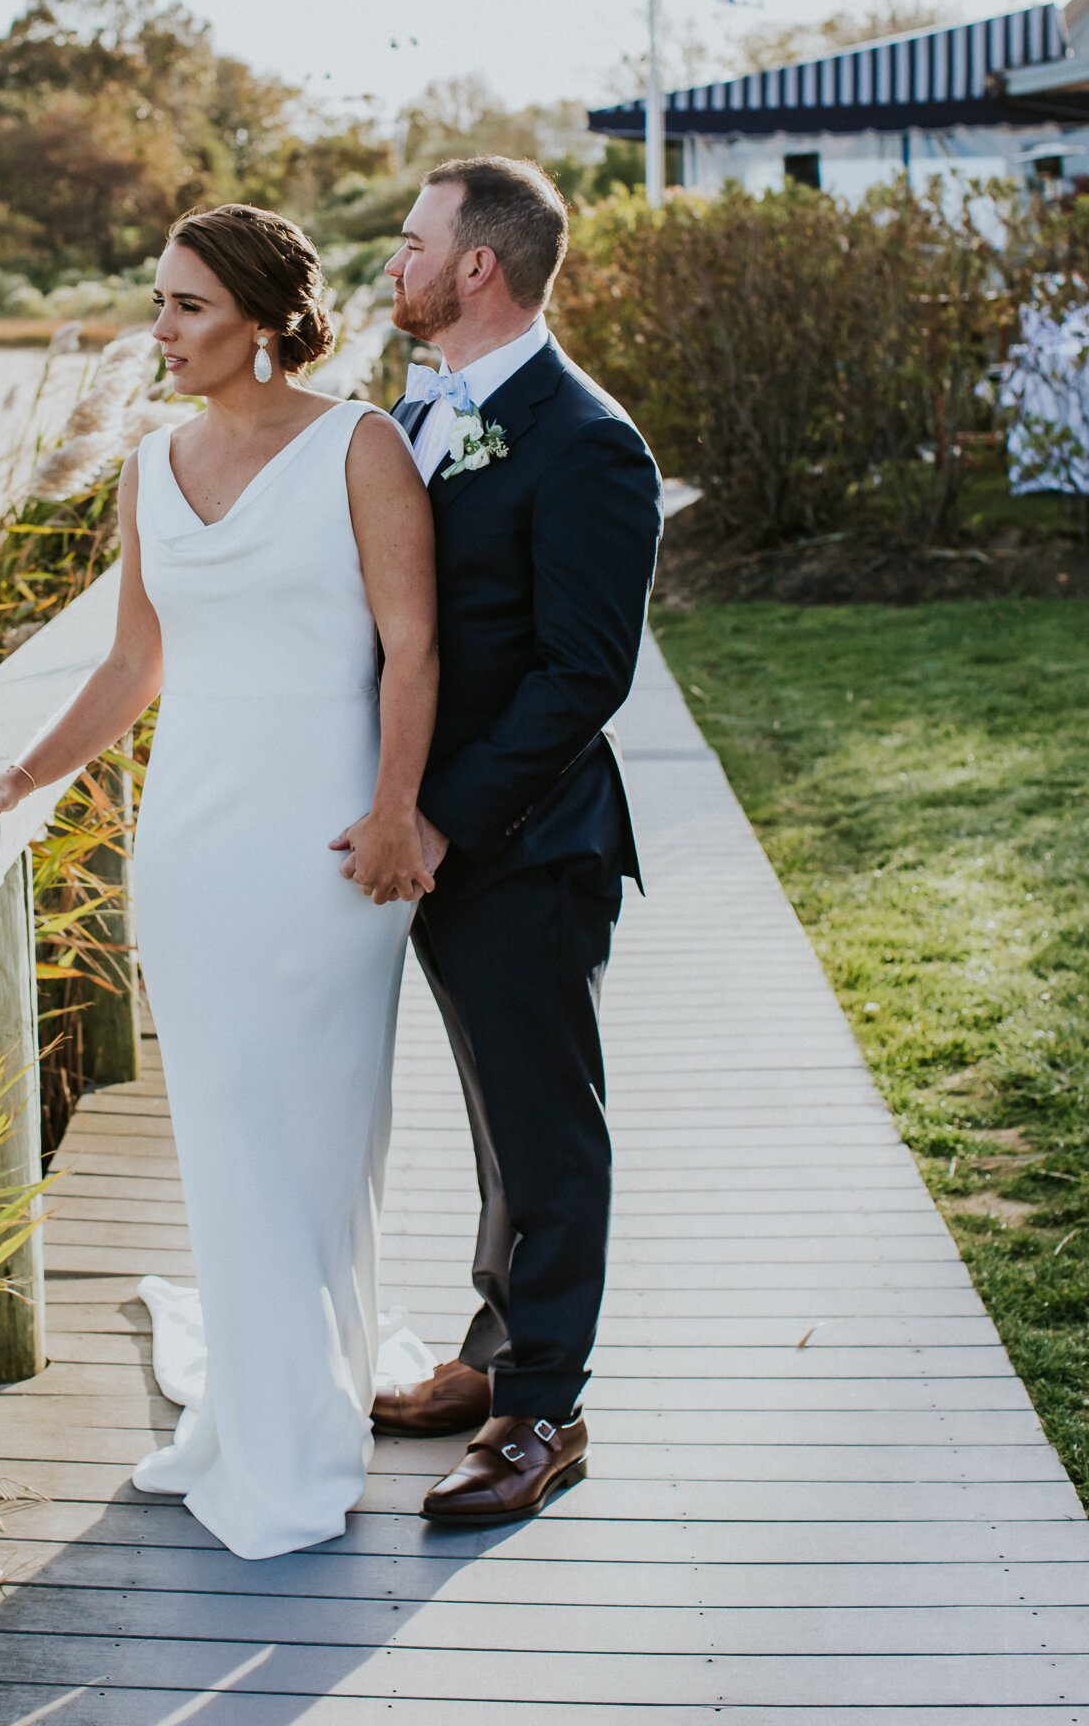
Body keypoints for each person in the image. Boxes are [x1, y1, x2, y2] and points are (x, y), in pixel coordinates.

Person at [0, 203, 439, 1560]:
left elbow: (415, 650)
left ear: (263, 317)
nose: (163, 332)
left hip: (330, 856)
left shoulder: (359, 447)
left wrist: (394, 815)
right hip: (194, 853)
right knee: (224, 1138)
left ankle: (302, 1436)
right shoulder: (149, 464)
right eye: (158, 303)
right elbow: (134, 668)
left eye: (188, 306)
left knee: (311, 1138)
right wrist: (13, 778)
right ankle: (261, 1414)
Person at [361, 155, 661, 1524]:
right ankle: (494, 1354)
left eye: (411, 240)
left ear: (476, 266)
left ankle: (546, 1406)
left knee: (546, 1124)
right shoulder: (426, 408)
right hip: (439, 836)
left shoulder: (585, 439)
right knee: (494, 1112)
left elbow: (582, 676)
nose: (393, 261)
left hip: (527, 845)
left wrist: (438, 816)